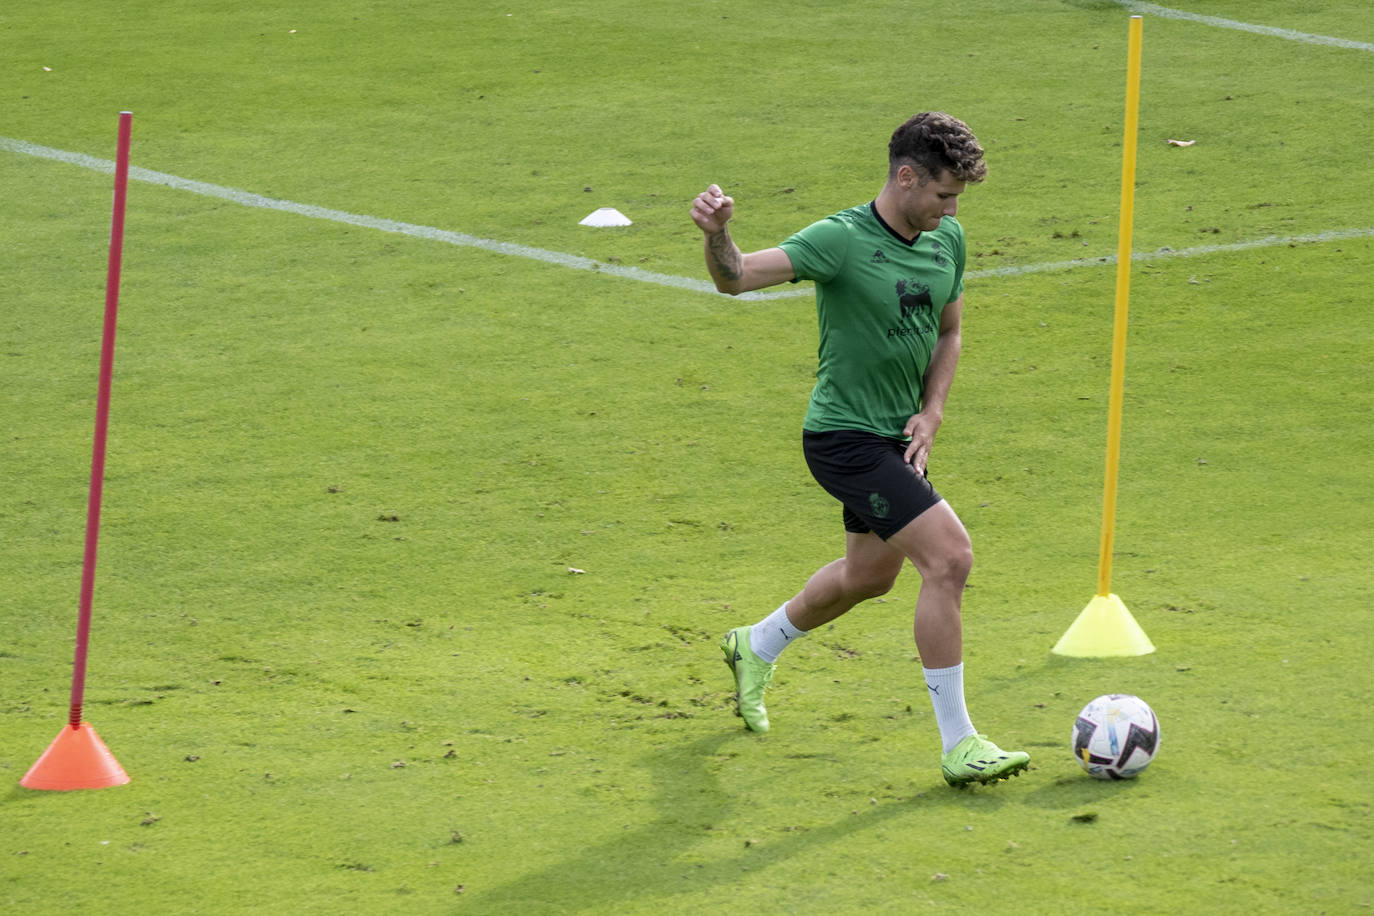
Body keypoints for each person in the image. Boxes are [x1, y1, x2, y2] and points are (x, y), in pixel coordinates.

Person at [690, 112, 1029, 787]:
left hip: (898, 440)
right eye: (943, 195)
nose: (952, 209)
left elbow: (949, 331)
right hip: (843, 439)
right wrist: (720, 233)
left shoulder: (947, 240)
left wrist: (933, 412)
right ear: (906, 178)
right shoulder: (840, 240)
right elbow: (736, 279)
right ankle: (960, 743)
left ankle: (754, 645)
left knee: (871, 577)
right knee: (950, 558)